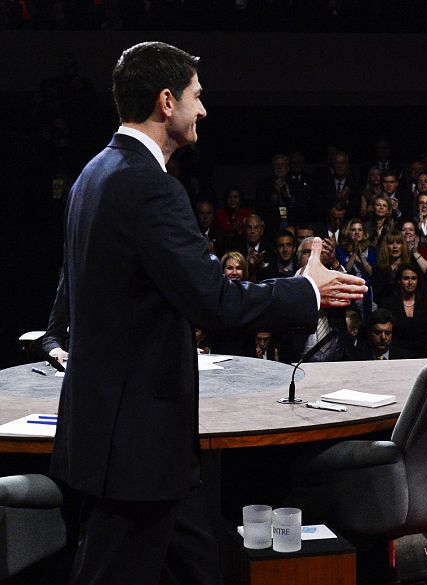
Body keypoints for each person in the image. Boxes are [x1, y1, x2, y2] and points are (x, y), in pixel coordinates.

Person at [49, 41, 366, 585]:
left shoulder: (93, 175)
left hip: (136, 445)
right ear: (167, 101)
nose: (204, 110)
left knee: (202, 564)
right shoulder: (149, 187)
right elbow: (217, 301)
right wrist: (304, 290)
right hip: (135, 452)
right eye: (198, 97)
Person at [379, 263, 427, 358]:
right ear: (399, 281)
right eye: (406, 278)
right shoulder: (388, 303)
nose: (410, 282)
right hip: (397, 355)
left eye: (414, 278)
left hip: (423, 353)